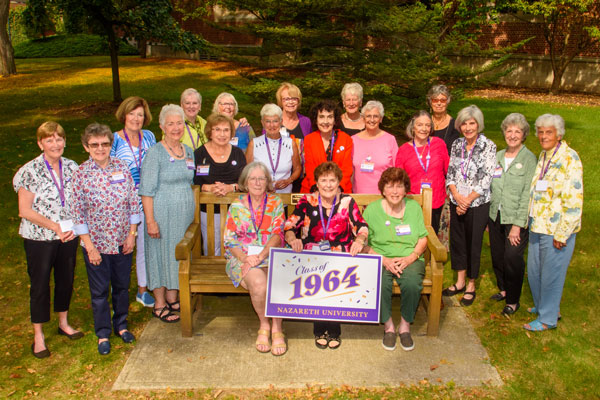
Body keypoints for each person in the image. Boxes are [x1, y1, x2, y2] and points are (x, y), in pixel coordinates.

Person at [13, 121, 83, 359]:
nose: (56, 144)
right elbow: (25, 210)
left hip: (68, 236)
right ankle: (39, 335)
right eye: (50, 140)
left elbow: (77, 200)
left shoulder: (72, 167)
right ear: (40, 143)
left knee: (65, 280)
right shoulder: (29, 171)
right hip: (39, 238)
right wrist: (54, 226)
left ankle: (63, 323)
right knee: (41, 285)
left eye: (59, 139)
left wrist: (75, 226)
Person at [71, 123, 140, 355]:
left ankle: (121, 325)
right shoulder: (81, 173)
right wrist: (89, 246)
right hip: (96, 244)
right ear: (86, 147)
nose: (100, 148)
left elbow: (133, 203)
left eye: (105, 144)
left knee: (121, 287)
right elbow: (77, 213)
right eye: (95, 144)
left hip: (123, 241)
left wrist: (132, 235)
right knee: (100, 292)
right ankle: (102, 333)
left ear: (111, 145)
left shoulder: (122, 167)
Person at [285, 162, 368, 349]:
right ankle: (320, 328)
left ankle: (334, 329)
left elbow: (361, 226)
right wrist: (292, 239)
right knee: (317, 280)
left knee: (333, 282)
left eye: (332, 180)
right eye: (324, 180)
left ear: (339, 182)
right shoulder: (307, 201)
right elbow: (289, 225)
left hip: (340, 256)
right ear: (316, 182)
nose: (328, 185)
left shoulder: (347, 202)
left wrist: (359, 241)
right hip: (311, 256)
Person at [524, 114, 583, 332]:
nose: (543, 136)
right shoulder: (545, 155)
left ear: (558, 134)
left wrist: (563, 233)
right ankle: (543, 306)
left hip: (556, 229)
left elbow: (574, 200)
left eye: (548, 132)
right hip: (538, 224)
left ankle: (548, 318)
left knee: (552, 273)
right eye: (540, 131)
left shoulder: (569, 158)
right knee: (536, 270)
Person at [139, 104, 196, 324]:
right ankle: (160, 303)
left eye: (179, 123)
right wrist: (151, 220)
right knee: (159, 256)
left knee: (176, 255)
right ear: (162, 126)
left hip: (184, 217)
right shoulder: (155, 153)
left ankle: (173, 298)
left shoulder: (187, 151)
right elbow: (146, 190)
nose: (175, 127)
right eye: (170, 123)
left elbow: (191, 181)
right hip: (161, 214)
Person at [223, 162, 287, 355]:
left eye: (262, 178)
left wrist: (260, 255)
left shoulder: (275, 203)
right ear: (245, 181)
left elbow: (278, 234)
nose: (258, 182)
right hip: (242, 258)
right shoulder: (236, 205)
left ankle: (277, 328)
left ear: (267, 182)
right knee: (259, 283)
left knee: (279, 279)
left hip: (271, 254)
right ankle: (264, 324)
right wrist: (246, 258)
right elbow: (229, 240)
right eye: (253, 178)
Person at [362, 167, 428, 351]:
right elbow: (363, 242)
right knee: (380, 283)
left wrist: (411, 257)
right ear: (383, 189)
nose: (395, 191)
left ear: (405, 189)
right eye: (390, 186)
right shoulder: (373, 210)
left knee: (412, 283)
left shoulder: (413, 207)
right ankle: (389, 326)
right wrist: (383, 260)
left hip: (409, 257)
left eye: (399, 186)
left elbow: (423, 237)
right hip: (380, 258)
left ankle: (405, 325)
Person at [442, 105, 496, 306]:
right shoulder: (456, 144)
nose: (467, 127)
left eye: (471, 123)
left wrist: (468, 200)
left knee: (473, 243)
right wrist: (456, 195)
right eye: (464, 123)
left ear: (478, 124)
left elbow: (486, 177)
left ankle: (472, 284)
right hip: (457, 201)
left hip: (477, 203)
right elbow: (452, 172)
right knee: (457, 242)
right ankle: (460, 281)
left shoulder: (488, 146)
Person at [488, 113, 537, 315]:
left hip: (515, 217)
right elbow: (490, 186)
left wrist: (517, 225)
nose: (513, 135)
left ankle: (513, 300)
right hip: (495, 214)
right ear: (504, 133)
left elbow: (528, 193)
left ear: (524, 135)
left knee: (512, 257)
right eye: (509, 130)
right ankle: (504, 288)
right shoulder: (498, 156)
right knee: (497, 256)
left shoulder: (528, 159)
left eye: (517, 131)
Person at [111, 96, 157, 308]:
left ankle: (142, 289)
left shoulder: (149, 137)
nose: (136, 118)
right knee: (123, 247)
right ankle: (117, 287)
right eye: (132, 114)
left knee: (144, 246)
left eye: (140, 114)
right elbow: (108, 172)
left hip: (147, 198)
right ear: (124, 115)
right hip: (123, 202)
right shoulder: (113, 140)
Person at [194, 113, 247, 255]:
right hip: (209, 212)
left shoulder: (238, 153)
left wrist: (231, 187)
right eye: (217, 129)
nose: (222, 134)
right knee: (212, 248)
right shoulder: (199, 154)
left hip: (236, 211)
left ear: (231, 133)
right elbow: (193, 181)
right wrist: (207, 187)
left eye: (226, 130)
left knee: (237, 247)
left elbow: (245, 182)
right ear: (209, 132)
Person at [395, 110, 449, 233]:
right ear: (413, 127)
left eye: (427, 125)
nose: (424, 129)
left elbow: (448, 169)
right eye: (420, 125)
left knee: (432, 234)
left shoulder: (439, 144)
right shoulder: (403, 150)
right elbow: (399, 179)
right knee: (413, 235)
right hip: (412, 201)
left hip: (436, 201)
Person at [246, 104, 301, 193]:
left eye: (275, 121)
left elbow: (298, 168)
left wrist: (289, 180)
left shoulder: (290, 143)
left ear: (281, 122)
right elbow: (247, 172)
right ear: (262, 123)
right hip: (260, 195)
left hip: (284, 197)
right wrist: (263, 184)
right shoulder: (253, 144)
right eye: (268, 121)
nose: (272, 125)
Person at [301, 100, 353, 193]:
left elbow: (347, 168)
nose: (325, 121)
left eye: (329, 117)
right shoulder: (309, 139)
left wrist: (339, 188)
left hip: (340, 190)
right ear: (316, 120)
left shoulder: (346, 139)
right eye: (321, 117)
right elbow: (310, 167)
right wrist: (316, 188)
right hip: (313, 189)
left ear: (335, 120)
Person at [351, 100, 398, 193]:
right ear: (363, 118)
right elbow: (350, 172)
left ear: (381, 119)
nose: (372, 120)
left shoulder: (390, 140)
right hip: (358, 198)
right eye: (368, 116)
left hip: (384, 197)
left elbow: (397, 171)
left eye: (375, 116)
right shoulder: (353, 140)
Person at [274, 82, 312, 192]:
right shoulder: (274, 121)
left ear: (298, 101)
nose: (290, 102)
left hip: (301, 178)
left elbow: (309, 147)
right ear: (281, 102)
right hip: (279, 178)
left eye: (294, 98)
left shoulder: (306, 122)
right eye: (286, 99)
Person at [427, 84, 460, 156]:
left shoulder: (454, 125)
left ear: (447, 102)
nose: (439, 103)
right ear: (430, 102)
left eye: (443, 100)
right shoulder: (425, 122)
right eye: (435, 100)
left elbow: (452, 152)